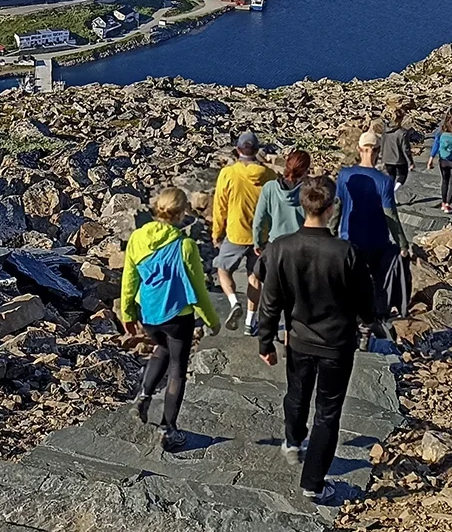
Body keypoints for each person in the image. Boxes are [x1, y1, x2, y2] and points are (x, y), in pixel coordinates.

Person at [257, 175, 376, 506]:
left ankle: (293, 441)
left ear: (303, 204)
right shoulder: (346, 252)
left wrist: (265, 342)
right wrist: (368, 321)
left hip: (298, 339)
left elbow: (270, 301)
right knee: (328, 412)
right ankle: (313, 483)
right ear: (331, 206)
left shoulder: (279, 248)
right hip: (337, 344)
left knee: (296, 393)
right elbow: (366, 302)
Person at [119, 186, 221, 451]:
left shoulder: (138, 237)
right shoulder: (185, 245)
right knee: (177, 369)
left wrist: (127, 313)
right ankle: (168, 429)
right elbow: (198, 289)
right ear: (182, 213)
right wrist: (211, 320)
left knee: (160, 348)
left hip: (150, 316)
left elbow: (129, 278)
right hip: (178, 317)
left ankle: (143, 397)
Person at [336, 131, 409, 338]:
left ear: (359, 150)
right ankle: (368, 328)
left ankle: (349, 324)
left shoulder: (344, 175)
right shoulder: (384, 181)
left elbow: (336, 209)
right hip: (376, 241)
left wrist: (329, 236)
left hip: (348, 239)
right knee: (376, 284)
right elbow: (391, 216)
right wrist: (402, 244)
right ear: (377, 151)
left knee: (348, 284)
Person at [212, 131, 277, 334]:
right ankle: (250, 321)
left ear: (238, 150)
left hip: (235, 232)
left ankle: (233, 302)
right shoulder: (269, 176)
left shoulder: (228, 174)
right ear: (257, 151)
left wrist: (217, 232)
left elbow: (219, 206)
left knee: (223, 269)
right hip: (261, 237)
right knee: (254, 276)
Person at [253, 149, 312, 250]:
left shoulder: (269, 188)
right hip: (300, 245)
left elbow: (259, 220)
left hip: (275, 243)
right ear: (305, 170)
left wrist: (257, 243)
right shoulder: (308, 190)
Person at [376, 102, 419, 196]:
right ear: (401, 119)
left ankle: (389, 194)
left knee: (391, 176)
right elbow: (406, 148)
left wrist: (381, 155)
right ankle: (393, 192)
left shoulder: (385, 130)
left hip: (387, 158)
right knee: (403, 175)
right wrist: (411, 162)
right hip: (399, 159)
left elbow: (382, 143)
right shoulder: (402, 132)